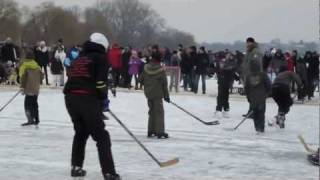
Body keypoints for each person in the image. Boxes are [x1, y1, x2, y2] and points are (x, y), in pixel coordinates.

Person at [63, 33, 120, 180]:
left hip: (70, 98)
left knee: (81, 132)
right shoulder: (101, 58)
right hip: (86, 97)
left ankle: (76, 167)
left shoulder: (79, 58)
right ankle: (109, 172)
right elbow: (100, 82)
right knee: (101, 136)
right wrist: (103, 99)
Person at [139, 47, 170, 139]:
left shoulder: (146, 68)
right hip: (158, 94)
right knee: (159, 112)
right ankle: (160, 131)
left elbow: (140, 80)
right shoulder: (161, 70)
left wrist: (148, 83)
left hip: (148, 93)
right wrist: (166, 96)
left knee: (151, 111)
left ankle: (151, 130)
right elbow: (164, 84)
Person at [244, 60, 271, 133]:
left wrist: (248, 98)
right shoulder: (263, 75)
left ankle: (257, 128)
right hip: (261, 98)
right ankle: (261, 129)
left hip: (253, 98)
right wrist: (267, 94)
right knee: (261, 113)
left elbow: (246, 88)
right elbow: (269, 85)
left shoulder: (248, 76)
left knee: (255, 114)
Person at [19, 48, 43, 126]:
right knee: (34, 104)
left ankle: (30, 120)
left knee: (27, 105)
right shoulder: (37, 66)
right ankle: (37, 119)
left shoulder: (25, 66)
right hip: (36, 89)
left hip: (28, 89)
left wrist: (22, 87)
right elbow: (42, 77)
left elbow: (23, 78)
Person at [241, 37, 263, 118]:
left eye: (248, 43)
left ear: (252, 43)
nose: (247, 44)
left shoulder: (255, 51)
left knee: (253, 95)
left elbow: (256, 63)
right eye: (246, 43)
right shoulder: (249, 51)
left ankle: (253, 112)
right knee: (250, 95)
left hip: (254, 76)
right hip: (248, 75)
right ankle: (251, 111)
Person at [214, 52, 237, 118]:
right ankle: (225, 110)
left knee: (222, 96)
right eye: (227, 55)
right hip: (226, 81)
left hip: (224, 80)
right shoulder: (231, 62)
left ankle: (219, 110)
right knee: (224, 96)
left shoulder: (226, 62)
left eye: (229, 55)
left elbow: (222, 69)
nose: (228, 56)